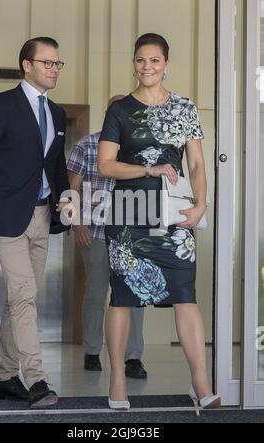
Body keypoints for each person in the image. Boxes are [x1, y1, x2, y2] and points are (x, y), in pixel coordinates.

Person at [98, 33, 221, 413]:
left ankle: (201, 383)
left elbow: (198, 164)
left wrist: (201, 205)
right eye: (140, 60)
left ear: (166, 64)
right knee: (122, 297)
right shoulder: (119, 110)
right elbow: (106, 164)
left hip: (173, 215)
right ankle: (118, 377)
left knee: (185, 294)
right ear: (133, 64)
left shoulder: (185, 108)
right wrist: (148, 167)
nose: (146, 67)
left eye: (154, 60)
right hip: (128, 212)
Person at [0, 36, 73, 408]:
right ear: (27, 65)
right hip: (6, 218)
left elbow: (55, 165)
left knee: (20, 300)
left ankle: (5, 378)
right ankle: (37, 379)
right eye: (47, 63)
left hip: (43, 214)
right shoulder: (0, 106)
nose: (54, 69)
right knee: (24, 295)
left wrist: (65, 199)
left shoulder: (57, 114)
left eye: (57, 63)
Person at [67, 96, 147, 379]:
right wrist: (77, 225)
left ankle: (133, 358)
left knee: (133, 295)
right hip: (96, 231)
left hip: (131, 234)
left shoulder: (140, 149)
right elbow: (70, 189)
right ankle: (92, 351)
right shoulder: (87, 145)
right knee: (97, 292)